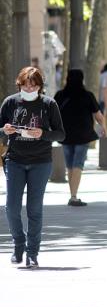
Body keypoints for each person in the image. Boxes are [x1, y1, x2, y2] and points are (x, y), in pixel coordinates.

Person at [1, 67, 66, 268]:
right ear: (19, 83)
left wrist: (43, 134)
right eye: (26, 84)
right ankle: (19, 243)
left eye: (34, 84)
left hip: (41, 161)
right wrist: (5, 130)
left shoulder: (49, 104)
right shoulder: (10, 102)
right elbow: (0, 128)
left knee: (34, 209)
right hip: (15, 160)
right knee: (11, 207)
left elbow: (61, 134)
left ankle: (32, 252)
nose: (30, 87)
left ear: (40, 85)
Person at [54, 69, 105, 206]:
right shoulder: (87, 95)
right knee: (78, 164)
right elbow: (98, 116)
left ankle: (72, 195)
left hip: (65, 135)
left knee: (70, 165)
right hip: (83, 135)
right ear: (82, 79)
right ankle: (74, 196)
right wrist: (103, 127)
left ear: (67, 78)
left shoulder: (60, 95)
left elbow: (52, 114)